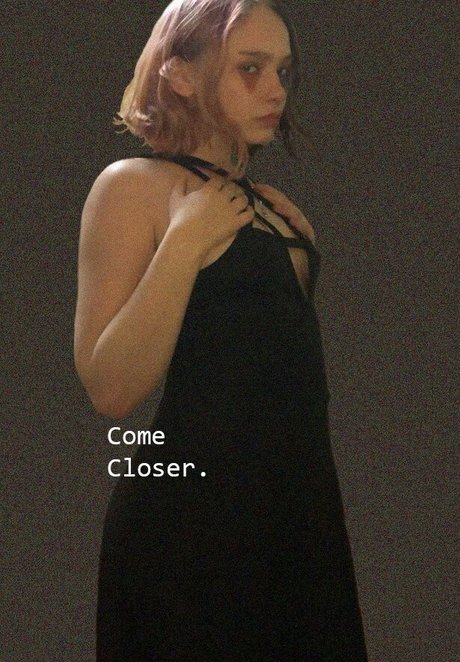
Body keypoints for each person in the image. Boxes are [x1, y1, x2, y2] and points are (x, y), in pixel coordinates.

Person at [74, 0, 369, 659]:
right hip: (188, 536)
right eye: (250, 68)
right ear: (179, 74)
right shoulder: (133, 186)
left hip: (299, 529)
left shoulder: (276, 213)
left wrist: (290, 248)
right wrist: (185, 242)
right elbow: (111, 389)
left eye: (283, 71)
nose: (275, 91)